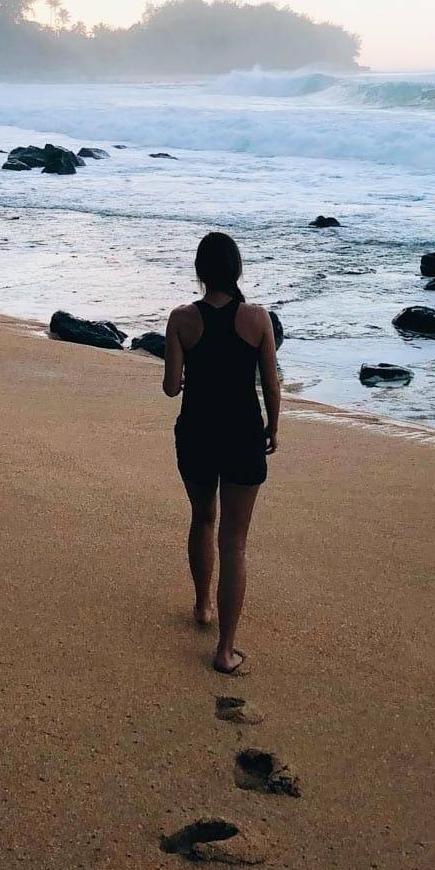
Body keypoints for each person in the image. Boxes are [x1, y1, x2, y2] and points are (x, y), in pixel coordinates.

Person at [163, 231, 281, 674]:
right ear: (237, 270)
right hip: (242, 437)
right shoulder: (257, 319)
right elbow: (270, 383)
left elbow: (172, 387)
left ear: (200, 272)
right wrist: (274, 425)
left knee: (202, 518)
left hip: (196, 433)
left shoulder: (180, 319)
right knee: (235, 541)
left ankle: (201, 607)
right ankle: (224, 649)